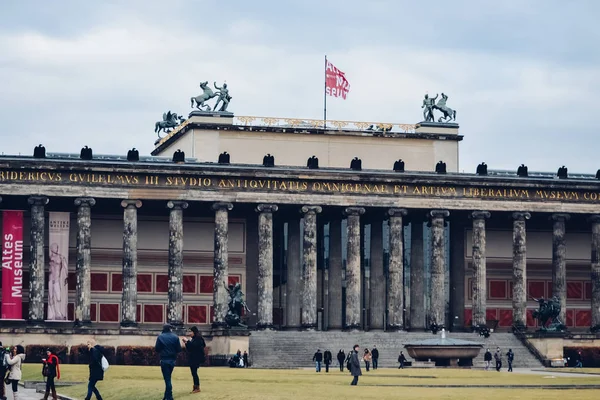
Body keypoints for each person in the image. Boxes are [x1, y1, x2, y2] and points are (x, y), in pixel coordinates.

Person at [155, 324, 182, 400]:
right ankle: (166, 396)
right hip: (172, 360)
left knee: (167, 379)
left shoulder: (160, 337)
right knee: (168, 377)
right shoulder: (175, 337)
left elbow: (157, 349)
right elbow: (179, 349)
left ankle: (169, 397)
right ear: (170, 329)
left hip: (164, 360)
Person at [183, 326, 206, 394]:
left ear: (194, 332)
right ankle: (195, 386)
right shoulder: (194, 339)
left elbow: (194, 346)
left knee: (194, 373)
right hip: (193, 358)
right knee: (193, 373)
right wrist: (186, 343)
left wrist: (187, 341)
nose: (189, 333)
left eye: (191, 332)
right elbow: (190, 348)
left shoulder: (198, 338)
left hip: (196, 358)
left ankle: (197, 387)